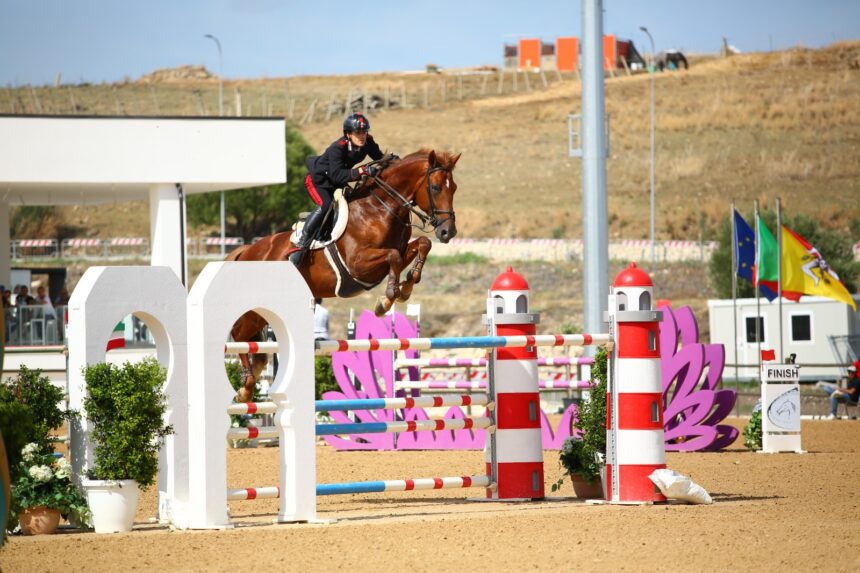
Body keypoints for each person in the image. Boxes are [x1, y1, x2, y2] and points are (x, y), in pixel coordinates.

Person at [288, 113, 392, 266]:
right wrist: (361, 171)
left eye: (364, 132)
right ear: (348, 134)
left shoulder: (368, 142)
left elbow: (379, 157)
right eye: (358, 133)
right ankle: (301, 245)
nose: (362, 136)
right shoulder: (337, 148)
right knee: (326, 204)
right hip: (318, 181)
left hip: (337, 180)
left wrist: (393, 160)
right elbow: (337, 176)